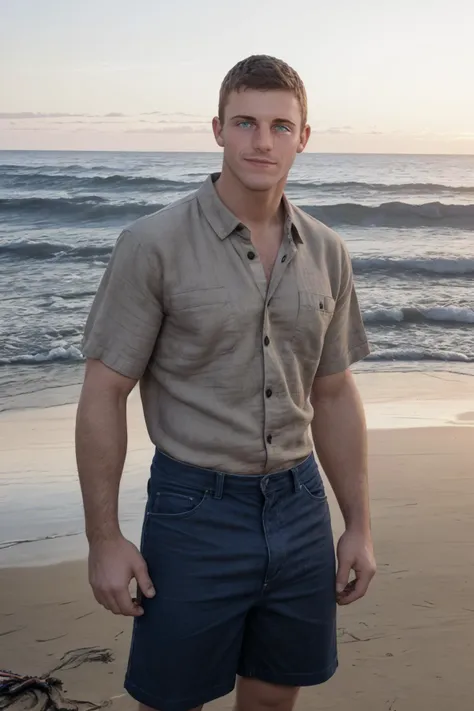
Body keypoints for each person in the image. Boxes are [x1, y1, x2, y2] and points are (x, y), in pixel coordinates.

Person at [75, 54, 376, 711]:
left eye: (279, 125)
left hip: (299, 509)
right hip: (194, 512)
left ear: (304, 136)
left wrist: (357, 523)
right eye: (244, 122)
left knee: (272, 698)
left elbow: (332, 393)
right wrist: (104, 536)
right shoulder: (152, 244)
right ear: (217, 129)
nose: (261, 141)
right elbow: (103, 391)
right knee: (172, 700)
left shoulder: (328, 251)